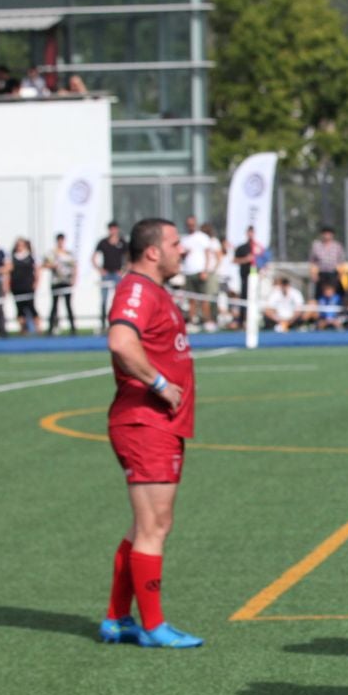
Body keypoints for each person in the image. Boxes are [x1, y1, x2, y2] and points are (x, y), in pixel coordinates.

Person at [100, 218, 202, 649]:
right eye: (177, 243)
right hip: (146, 421)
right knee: (155, 526)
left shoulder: (152, 290)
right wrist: (160, 384)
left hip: (155, 423)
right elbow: (121, 341)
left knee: (144, 525)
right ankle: (154, 625)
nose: (185, 250)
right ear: (153, 251)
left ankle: (116, 618)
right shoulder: (138, 288)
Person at [94, 221, 128, 323]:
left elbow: (129, 257)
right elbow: (93, 257)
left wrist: (123, 270)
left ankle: (118, 320)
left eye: (114, 228)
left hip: (117, 274)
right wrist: (100, 270)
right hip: (107, 274)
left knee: (118, 299)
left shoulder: (122, 242)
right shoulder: (103, 242)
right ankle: (103, 323)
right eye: (111, 229)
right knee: (104, 299)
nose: (113, 231)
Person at [43, 233, 77, 335]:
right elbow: (44, 264)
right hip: (56, 282)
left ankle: (73, 328)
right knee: (54, 305)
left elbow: (74, 266)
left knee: (68, 305)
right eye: (59, 240)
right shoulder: (52, 253)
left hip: (66, 282)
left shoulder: (69, 253)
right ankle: (50, 328)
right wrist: (52, 265)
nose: (61, 242)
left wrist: (74, 279)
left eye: (62, 240)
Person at [307, 224, 347, 312]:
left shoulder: (337, 246)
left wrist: (340, 275)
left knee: (337, 294)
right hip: (321, 274)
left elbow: (341, 261)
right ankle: (319, 315)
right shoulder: (316, 245)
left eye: (329, 233)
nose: (327, 235)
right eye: (325, 233)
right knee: (319, 295)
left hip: (333, 274)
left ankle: (336, 314)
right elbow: (312, 261)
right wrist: (313, 274)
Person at [232, 226, 263, 329]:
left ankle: (255, 321)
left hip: (256, 277)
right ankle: (242, 321)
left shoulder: (258, 247)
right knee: (244, 298)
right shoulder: (242, 248)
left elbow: (263, 260)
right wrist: (246, 259)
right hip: (245, 277)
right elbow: (235, 260)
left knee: (255, 298)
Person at [9, 237, 39, 334]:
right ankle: (23, 329)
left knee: (31, 307)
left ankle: (38, 328)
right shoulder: (13, 257)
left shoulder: (30, 257)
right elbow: (9, 272)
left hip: (28, 286)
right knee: (19, 308)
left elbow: (37, 270)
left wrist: (36, 283)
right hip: (17, 286)